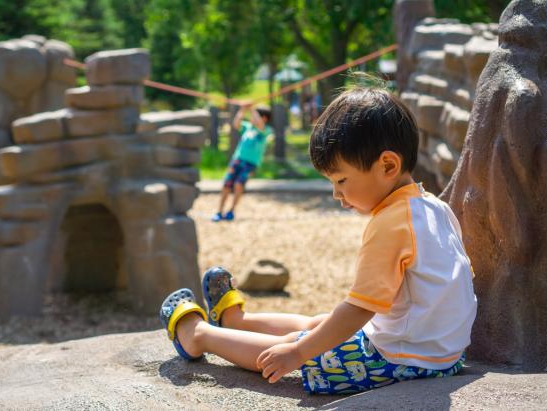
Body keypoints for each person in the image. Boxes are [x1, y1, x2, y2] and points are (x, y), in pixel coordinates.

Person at [160, 85, 477, 394]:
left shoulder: (391, 223)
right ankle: (236, 321)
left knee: (293, 345)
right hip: (444, 354)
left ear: (388, 165)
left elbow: (358, 310)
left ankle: (198, 335)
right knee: (319, 324)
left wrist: (298, 354)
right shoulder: (436, 207)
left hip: (400, 359)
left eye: (341, 180)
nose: (336, 194)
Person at [212, 104, 273, 222]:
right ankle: (219, 211)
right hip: (237, 160)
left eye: (255, 116)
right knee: (226, 184)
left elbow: (260, 125)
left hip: (251, 163)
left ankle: (231, 210)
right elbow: (236, 123)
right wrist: (242, 110)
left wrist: (251, 109)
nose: (252, 118)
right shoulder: (248, 127)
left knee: (239, 185)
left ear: (264, 118)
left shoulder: (265, 130)